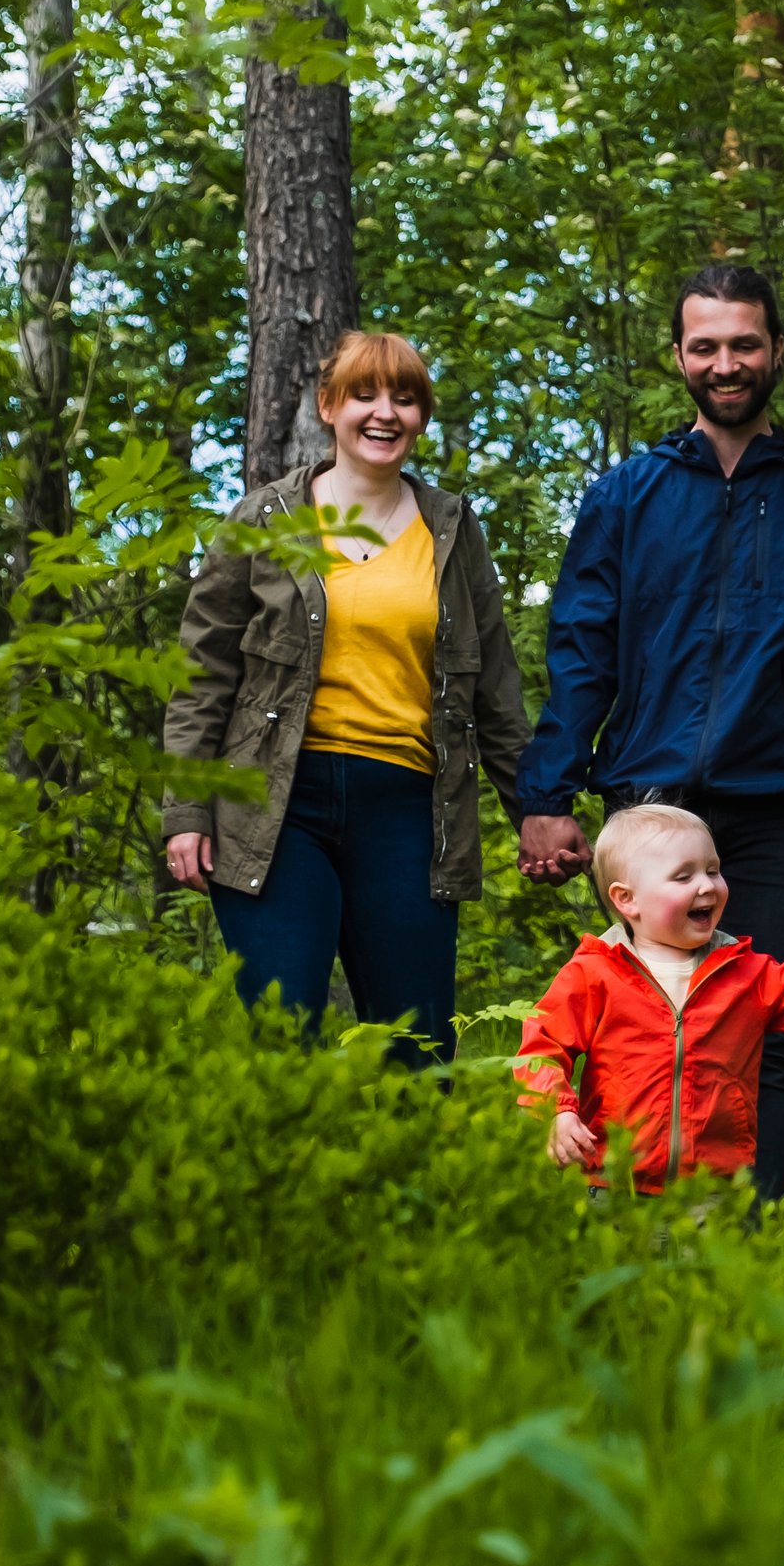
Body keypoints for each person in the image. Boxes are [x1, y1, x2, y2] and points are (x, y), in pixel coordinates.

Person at [515, 263, 784, 1199]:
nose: (725, 363)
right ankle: (641, 1236)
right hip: (647, 806)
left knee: (765, 1032)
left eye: (743, 344)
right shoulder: (627, 495)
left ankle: (752, 1248)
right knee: (632, 1033)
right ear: (680, 356)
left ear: (776, 349)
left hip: (776, 813)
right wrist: (547, 795)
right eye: (706, 346)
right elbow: (580, 651)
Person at [162, 330, 529, 1067]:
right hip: (272, 805)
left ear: (421, 414)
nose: (383, 411)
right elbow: (203, 674)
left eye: (403, 396)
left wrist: (539, 813)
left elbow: (495, 691)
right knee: (282, 1036)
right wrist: (186, 811)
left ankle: (410, 1183)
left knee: (416, 1049)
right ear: (329, 406)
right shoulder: (264, 520)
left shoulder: (452, 531)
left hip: (407, 811)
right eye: (364, 393)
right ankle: (289, 1184)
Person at [516, 803, 784, 1192]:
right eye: (684, 876)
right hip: (616, 1184)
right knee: (623, 1278)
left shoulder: (745, 973)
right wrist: (558, 1110)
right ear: (627, 900)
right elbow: (542, 1048)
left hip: (715, 1187)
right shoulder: (595, 972)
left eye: (713, 870)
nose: (707, 885)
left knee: (711, 1279)